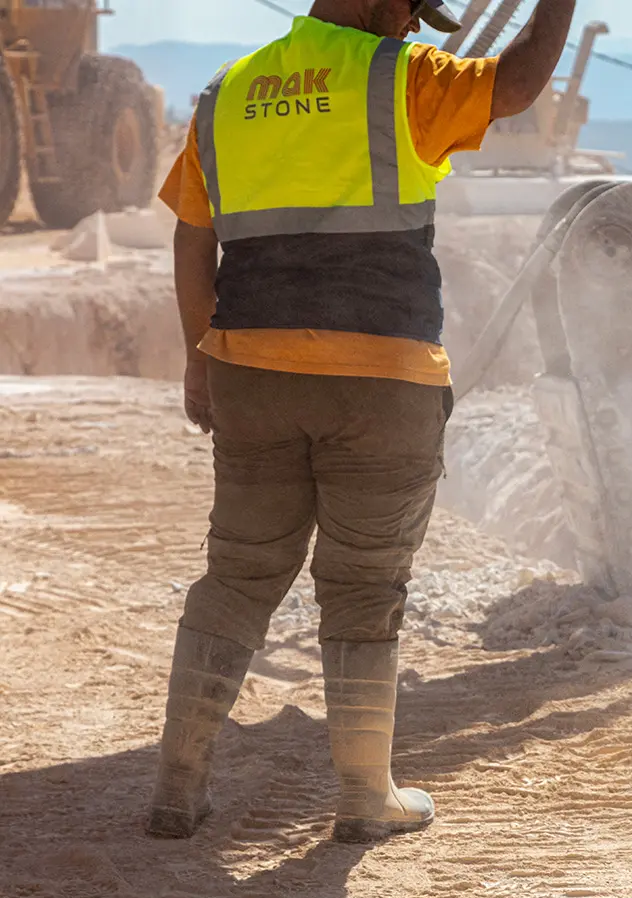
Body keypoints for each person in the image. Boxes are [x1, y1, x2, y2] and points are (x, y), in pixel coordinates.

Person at [148, 0, 576, 843]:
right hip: (381, 380)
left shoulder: (224, 93)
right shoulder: (400, 79)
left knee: (236, 575)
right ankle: (362, 795)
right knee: (362, 587)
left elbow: (193, 239)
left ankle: (176, 786)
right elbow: (520, 81)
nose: (415, 31)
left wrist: (201, 357)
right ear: (385, 4)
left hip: (252, 374)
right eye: (413, 15)